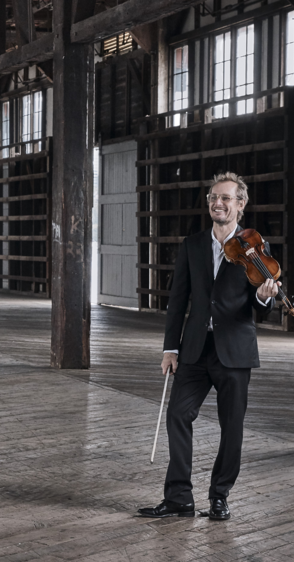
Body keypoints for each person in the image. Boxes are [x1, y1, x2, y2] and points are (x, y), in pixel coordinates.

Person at [138, 172, 279, 521]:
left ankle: (219, 496)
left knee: (231, 427)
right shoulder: (193, 244)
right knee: (177, 415)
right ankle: (179, 499)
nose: (218, 203)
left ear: (240, 205)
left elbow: (261, 302)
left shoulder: (256, 248)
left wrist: (264, 298)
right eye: (214, 197)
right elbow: (178, 301)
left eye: (226, 198)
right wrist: (171, 347)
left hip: (235, 349)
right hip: (195, 349)